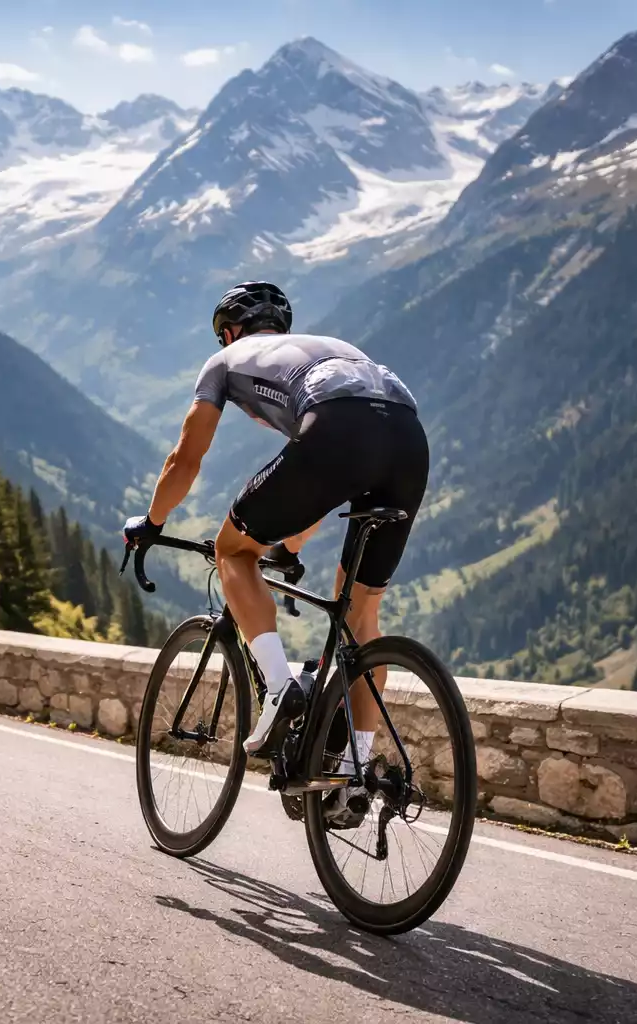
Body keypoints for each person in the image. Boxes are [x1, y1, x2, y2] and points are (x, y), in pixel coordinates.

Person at [121, 281, 428, 823]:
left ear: (229, 333)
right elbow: (321, 490)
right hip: (407, 436)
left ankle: (280, 689)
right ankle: (354, 773)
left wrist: (152, 523)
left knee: (232, 550)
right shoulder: (323, 349)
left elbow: (185, 460)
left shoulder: (224, 362)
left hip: (337, 427)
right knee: (360, 616)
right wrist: (287, 548)